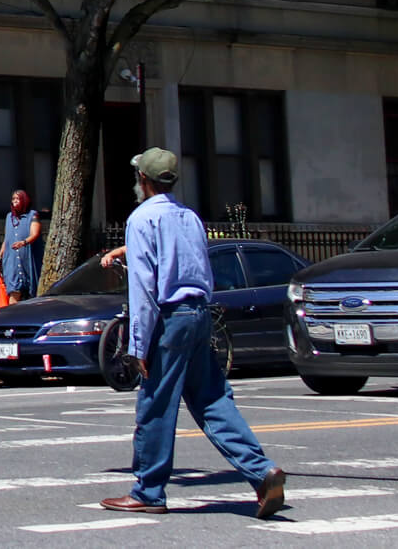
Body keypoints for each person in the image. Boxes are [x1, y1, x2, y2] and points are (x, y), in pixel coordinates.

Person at [100, 148, 286, 518]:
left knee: (156, 403)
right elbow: (201, 267)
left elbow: (143, 287)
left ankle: (148, 491)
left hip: (169, 318)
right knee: (214, 399)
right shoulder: (189, 217)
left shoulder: (141, 220)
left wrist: (137, 345)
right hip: (199, 312)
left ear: (143, 180)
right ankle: (261, 472)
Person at [0, 189, 44, 304]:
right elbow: (7, 240)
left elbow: (35, 233)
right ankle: (14, 320)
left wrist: (24, 242)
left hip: (28, 261)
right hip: (12, 262)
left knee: (33, 294)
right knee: (14, 291)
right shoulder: (9, 217)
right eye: (13, 199)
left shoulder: (32, 215)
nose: (15, 201)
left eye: (18, 198)